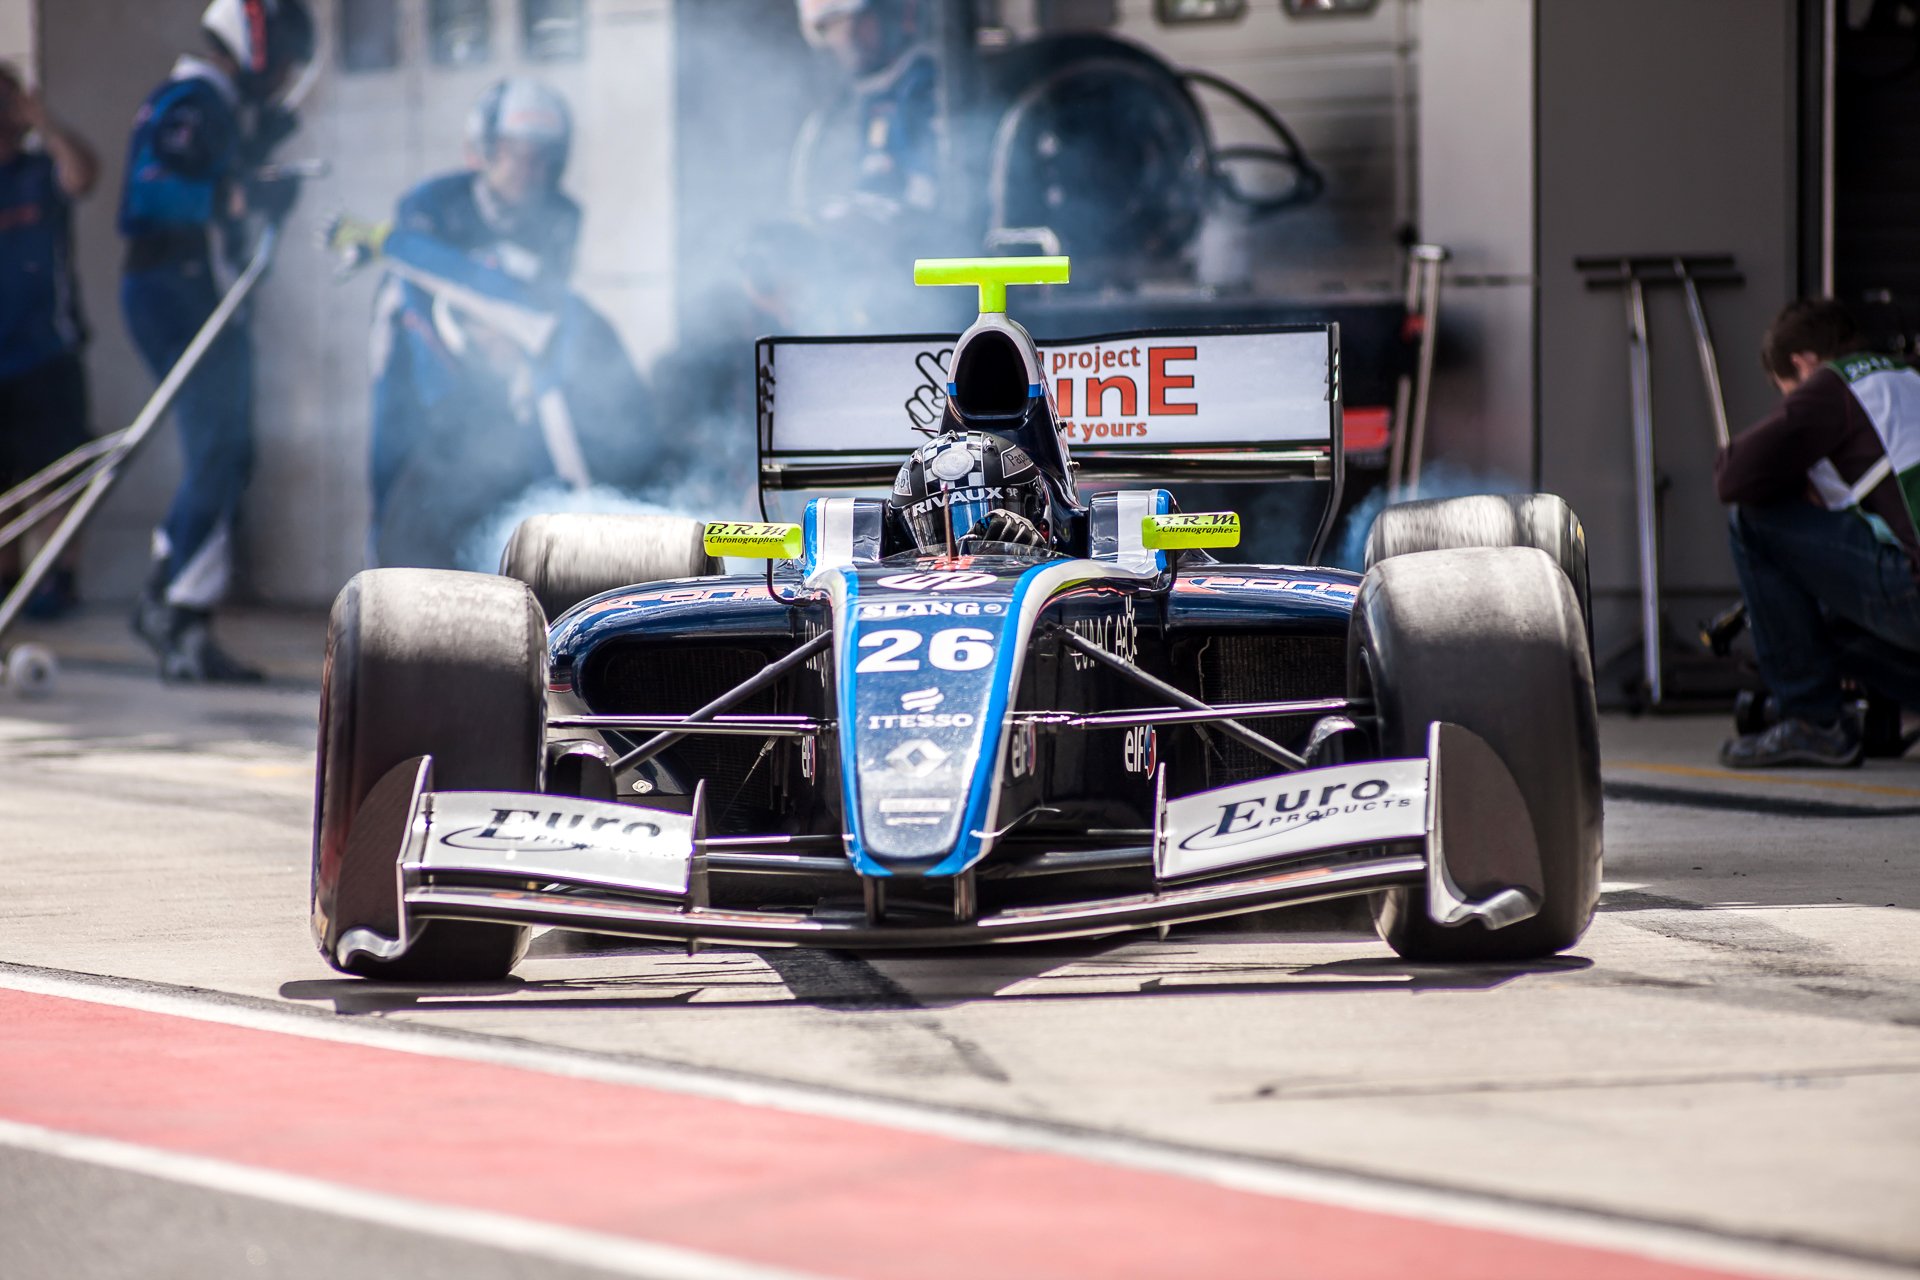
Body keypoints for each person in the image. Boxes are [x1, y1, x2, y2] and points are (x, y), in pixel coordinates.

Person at [118, 0, 313, 682]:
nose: (287, 72)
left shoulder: (213, 100)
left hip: (195, 289)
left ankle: (180, 602)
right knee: (220, 448)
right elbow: (147, 195)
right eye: (284, 56)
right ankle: (172, 604)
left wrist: (257, 156)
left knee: (227, 451)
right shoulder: (195, 98)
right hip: (179, 289)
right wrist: (243, 194)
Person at [364, 77, 582, 561]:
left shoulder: (562, 218)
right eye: (513, 153)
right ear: (484, 148)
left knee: (508, 472)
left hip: (503, 369)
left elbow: (543, 308)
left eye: (542, 157)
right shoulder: (432, 202)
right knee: (397, 470)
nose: (529, 170)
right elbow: (418, 294)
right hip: (418, 359)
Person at [1716, 298, 1920, 767]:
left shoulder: (1834, 383)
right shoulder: (1906, 374)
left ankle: (1813, 721)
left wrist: (1793, 478)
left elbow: (1733, 476)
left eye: (1787, 392)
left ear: (1801, 364)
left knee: (1753, 520)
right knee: (1818, 625)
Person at [0, 62, 98, 618]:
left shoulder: (39, 172)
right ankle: (8, 582)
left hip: (45, 354)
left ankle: (58, 579)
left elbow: (83, 176)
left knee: (57, 475)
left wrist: (42, 121)